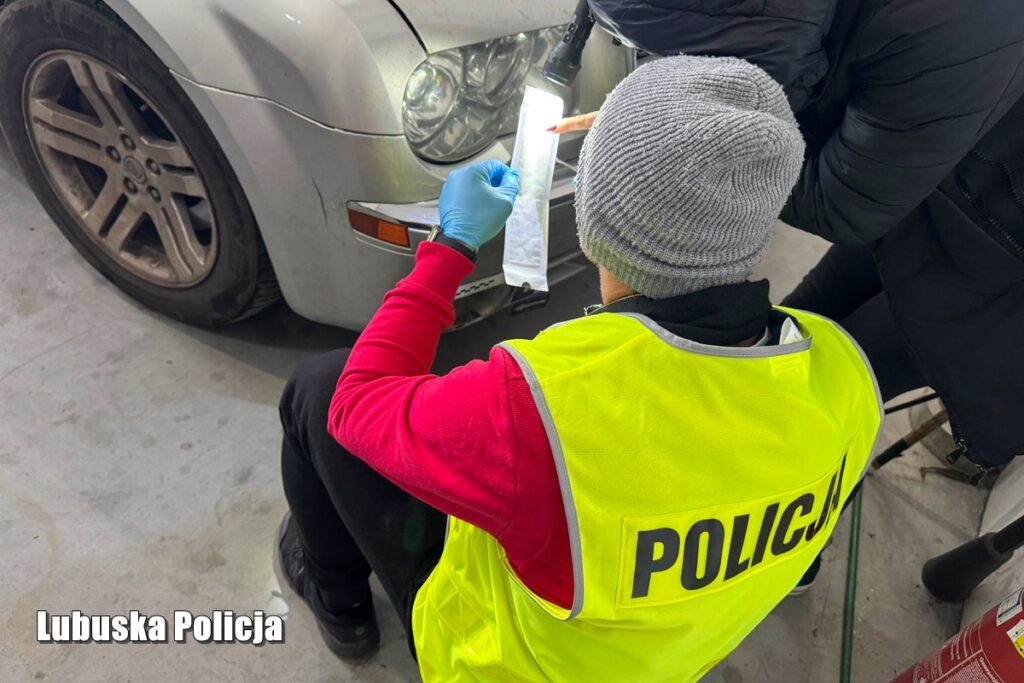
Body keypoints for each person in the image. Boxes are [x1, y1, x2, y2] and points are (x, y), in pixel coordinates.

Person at [275, 56, 882, 682]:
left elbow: (359, 404)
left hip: (503, 662)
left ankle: (338, 600)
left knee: (317, 391)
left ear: (595, 223)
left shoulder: (544, 407)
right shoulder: (847, 379)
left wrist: (450, 247)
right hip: (663, 658)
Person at [558, 0, 1024, 469]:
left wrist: (693, 146)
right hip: (924, 196)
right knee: (790, 338)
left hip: (994, 274)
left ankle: (784, 500)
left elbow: (842, 207)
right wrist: (666, 124)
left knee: (823, 401)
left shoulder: (953, 23)